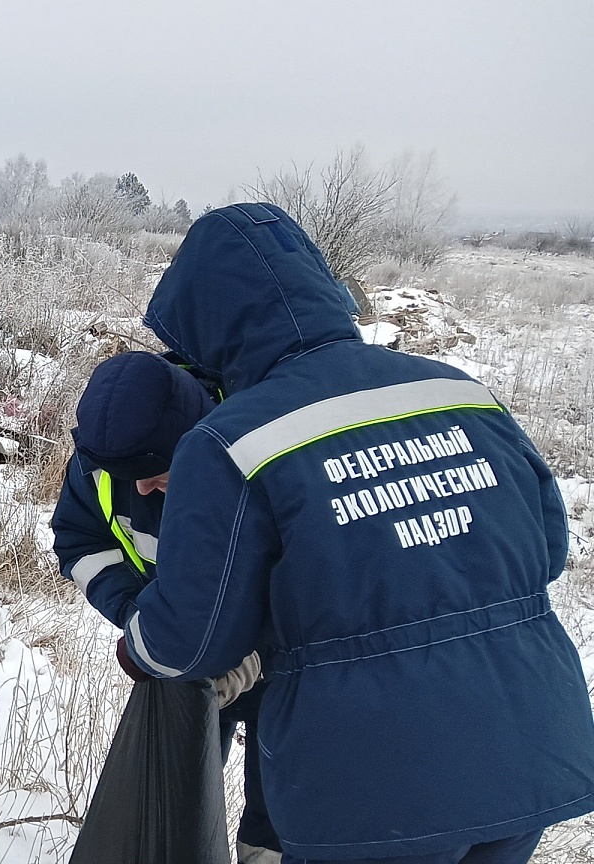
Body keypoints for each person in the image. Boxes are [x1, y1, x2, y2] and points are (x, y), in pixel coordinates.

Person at [120, 202, 594, 863]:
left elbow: (191, 641)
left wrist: (137, 649)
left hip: (377, 789)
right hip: (534, 746)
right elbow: (547, 547)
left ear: (204, 320)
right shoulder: (460, 392)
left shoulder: (233, 441)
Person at [53, 350, 281, 864]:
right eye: (125, 474)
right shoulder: (101, 456)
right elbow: (78, 540)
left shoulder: (256, 448)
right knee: (177, 796)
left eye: (158, 472)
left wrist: (258, 652)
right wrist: (144, 623)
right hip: (184, 670)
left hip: (284, 676)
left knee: (277, 820)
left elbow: (311, 577)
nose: (140, 489)